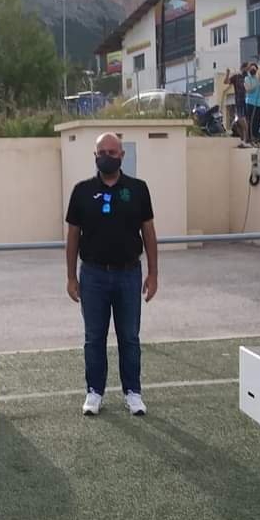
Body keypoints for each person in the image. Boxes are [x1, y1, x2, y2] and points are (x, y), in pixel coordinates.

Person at [65, 132, 158, 416]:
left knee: (129, 337)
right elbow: (73, 236)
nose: (107, 157)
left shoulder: (138, 189)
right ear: (95, 156)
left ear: (122, 156)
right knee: (94, 338)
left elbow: (149, 232)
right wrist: (71, 277)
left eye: (113, 152)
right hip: (93, 276)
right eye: (102, 152)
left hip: (129, 274)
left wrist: (153, 273)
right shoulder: (81, 191)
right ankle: (94, 392)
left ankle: (133, 392)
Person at [224, 65, 249, 144]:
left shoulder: (247, 77)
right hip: (239, 101)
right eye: (246, 68)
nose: (247, 70)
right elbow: (226, 82)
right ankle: (243, 139)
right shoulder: (236, 77)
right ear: (242, 68)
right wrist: (227, 73)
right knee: (239, 121)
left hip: (246, 101)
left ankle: (245, 139)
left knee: (243, 120)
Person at [244, 63, 260, 144]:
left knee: (257, 121)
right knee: (250, 121)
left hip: (259, 103)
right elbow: (249, 89)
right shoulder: (247, 79)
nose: (253, 70)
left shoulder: (258, 79)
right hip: (251, 103)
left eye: (254, 69)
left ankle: (255, 137)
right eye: (251, 69)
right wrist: (256, 83)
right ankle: (249, 137)